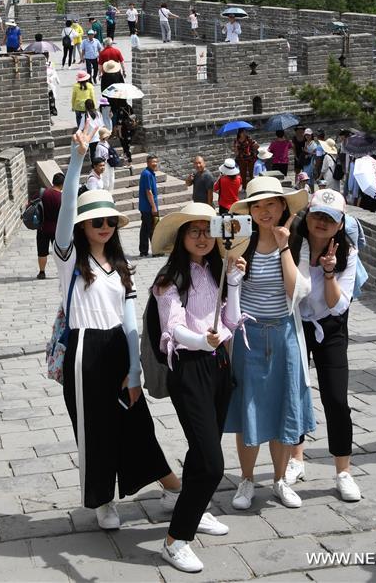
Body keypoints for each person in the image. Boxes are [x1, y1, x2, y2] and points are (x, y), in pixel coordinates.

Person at [53, 126, 178, 529]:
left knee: (137, 421)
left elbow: (129, 323)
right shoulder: (71, 261)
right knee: (96, 428)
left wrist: (135, 368)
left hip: (119, 349)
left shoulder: (123, 268)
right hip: (84, 349)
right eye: (96, 222)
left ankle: (172, 487)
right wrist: (77, 159)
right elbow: (67, 205)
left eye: (109, 220)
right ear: (83, 227)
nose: (104, 227)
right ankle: (103, 500)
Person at [153, 203, 246, 573]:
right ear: (181, 237)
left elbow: (232, 320)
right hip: (189, 370)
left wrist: (235, 284)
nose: (203, 238)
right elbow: (172, 328)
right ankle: (175, 540)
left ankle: (197, 508)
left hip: (220, 365)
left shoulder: (217, 271)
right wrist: (200, 340)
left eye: (208, 230)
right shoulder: (168, 279)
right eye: (194, 231)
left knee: (201, 449)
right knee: (211, 462)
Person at [225, 176, 314, 510]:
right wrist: (234, 274)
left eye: (270, 204)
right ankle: (247, 480)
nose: (264, 211)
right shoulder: (238, 243)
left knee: (282, 409)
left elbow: (296, 293)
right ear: (250, 210)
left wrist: (284, 246)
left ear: (282, 208)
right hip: (248, 337)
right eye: (257, 205)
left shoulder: (295, 244)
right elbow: (230, 294)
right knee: (248, 408)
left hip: (284, 335)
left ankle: (278, 480)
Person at [286, 189, 362, 502]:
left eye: (329, 218)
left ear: (340, 224)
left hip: (330, 328)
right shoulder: (292, 244)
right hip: (295, 324)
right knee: (294, 393)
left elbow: (336, 306)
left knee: (335, 398)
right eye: (317, 215)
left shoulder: (348, 252)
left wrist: (329, 271)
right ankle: (296, 459)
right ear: (308, 216)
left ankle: (343, 471)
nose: (322, 222)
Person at [36, 172, 65, 280]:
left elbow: (30, 204)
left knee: (42, 252)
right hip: (57, 229)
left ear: (53, 182)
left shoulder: (43, 193)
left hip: (42, 227)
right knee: (59, 252)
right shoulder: (62, 197)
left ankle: (42, 272)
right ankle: (62, 271)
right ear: (63, 184)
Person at [139, 155, 159, 257]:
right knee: (152, 228)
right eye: (152, 162)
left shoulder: (149, 173)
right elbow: (148, 191)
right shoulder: (147, 174)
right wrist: (153, 206)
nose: (155, 163)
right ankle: (155, 250)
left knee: (145, 229)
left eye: (156, 161)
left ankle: (143, 251)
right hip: (148, 207)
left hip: (146, 206)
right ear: (147, 163)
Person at [94, 128, 116, 192]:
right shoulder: (99, 146)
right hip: (104, 165)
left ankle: (110, 195)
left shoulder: (106, 143)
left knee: (111, 179)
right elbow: (98, 158)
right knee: (106, 181)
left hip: (110, 163)